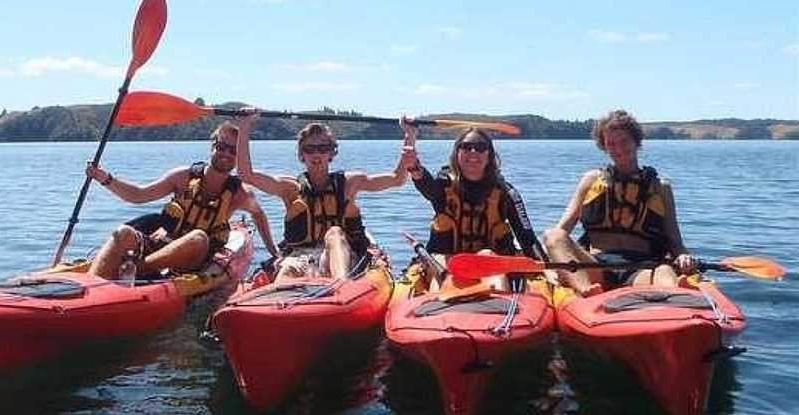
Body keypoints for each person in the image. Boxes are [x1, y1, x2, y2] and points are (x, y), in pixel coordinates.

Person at [85, 121, 279, 279]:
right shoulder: (182, 176)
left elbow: (259, 216)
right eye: (221, 147)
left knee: (198, 237)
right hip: (162, 245)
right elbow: (139, 195)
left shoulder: (240, 194)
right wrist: (104, 178)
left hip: (195, 258)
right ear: (212, 147)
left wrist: (275, 253)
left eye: (233, 151)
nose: (226, 153)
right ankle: (92, 286)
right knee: (123, 233)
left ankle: (137, 270)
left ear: (239, 156)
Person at [235, 111, 410, 281]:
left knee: (334, 233)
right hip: (301, 257)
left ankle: (342, 287)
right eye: (309, 149)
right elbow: (246, 174)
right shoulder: (289, 188)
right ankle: (278, 299)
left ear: (332, 153)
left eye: (323, 148)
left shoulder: (350, 183)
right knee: (288, 267)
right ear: (301, 154)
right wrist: (244, 128)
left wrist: (410, 136)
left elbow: (397, 179)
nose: (316, 154)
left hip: (340, 254)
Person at [543, 109, 694, 296]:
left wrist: (683, 256)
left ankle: (675, 297)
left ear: (636, 142)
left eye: (624, 141)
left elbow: (675, 241)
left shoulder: (660, 187)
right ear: (604, 146)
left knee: (663, 270)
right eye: (611, 144)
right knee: (552, 235)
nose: (618, 148)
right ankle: (587, 292)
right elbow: (562, 231)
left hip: (640, 267)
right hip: (596, 266)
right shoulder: (591, 180)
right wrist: (548, 265)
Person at [399, 120, 547, 291]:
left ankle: (500, 304)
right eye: (466, 147)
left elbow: (527, 238)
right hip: (447, 265)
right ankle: (439, 305)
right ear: (457, 152)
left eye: (481, 147)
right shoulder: (444, 185)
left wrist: (545, 267)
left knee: (487, 256)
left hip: (490, 266)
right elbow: (426, 185)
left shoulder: (506, 193)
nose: (473, 152)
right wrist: (413, 165)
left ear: (490, 155)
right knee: (441, 261)